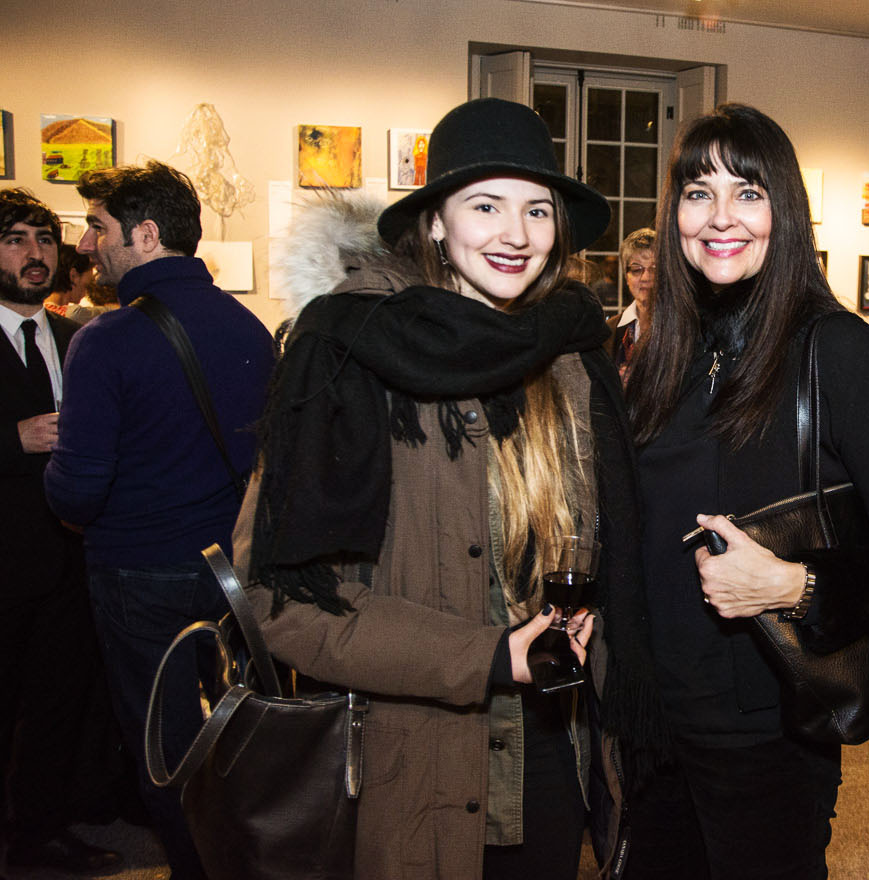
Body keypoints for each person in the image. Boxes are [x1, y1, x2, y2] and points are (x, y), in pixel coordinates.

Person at [233, 98, 640, 880]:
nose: (515, 234)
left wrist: (596, 609)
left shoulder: (573, 353)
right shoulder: (347, 351)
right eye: (485, 206)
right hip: (413, 763)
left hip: (557, 745)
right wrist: (484, 656)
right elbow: (280, 602)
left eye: (537, 210)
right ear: (434, 223)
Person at [615, 103, 869, 880]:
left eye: (747, 193)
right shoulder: (664, 355)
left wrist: (795, 586)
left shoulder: (839, 352)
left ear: (783, 210)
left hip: (766, 738)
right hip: (653, 727)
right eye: (699, 193)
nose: (720, 216)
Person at [44, 161, 277, 880]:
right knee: (235, 735)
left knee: (165, 750)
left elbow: (78, 490)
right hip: (230, 567)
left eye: (97, 227)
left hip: (140, 571)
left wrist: (50, 471)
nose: (85, 245)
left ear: (145, 235)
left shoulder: (105, 339)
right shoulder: (249, 326)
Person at [0, 189, 122, 876]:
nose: (34, 253)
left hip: (71, 558)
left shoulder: (80, 339)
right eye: (15, 238)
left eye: (44, 238)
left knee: (56, 706)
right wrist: (11, 440)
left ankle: (39, 834)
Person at [608, 227, 656, 376]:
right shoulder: (610, 330)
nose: (645, 278)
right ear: (626, 276)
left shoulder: (683, 326)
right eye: (636, 270)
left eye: (654, 269)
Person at [44, 243, 92, 318]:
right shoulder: (74, 316)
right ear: (73, 276)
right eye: (86, 285)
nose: (85, 293)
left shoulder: (35, 312)